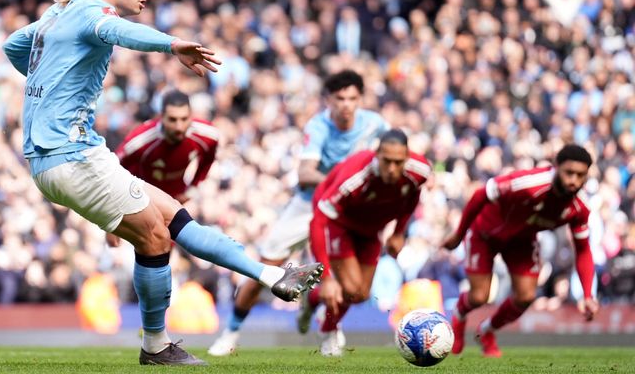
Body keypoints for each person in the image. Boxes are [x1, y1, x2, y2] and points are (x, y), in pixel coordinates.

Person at [2, 0, 323, 366]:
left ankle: (270, 274)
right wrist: (173, 45)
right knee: (155, 237)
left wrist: (51, 84)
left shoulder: (58, 14)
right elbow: (122, 34)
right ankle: (157, 344)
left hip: (70, 154)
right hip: (69, 155)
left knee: (173, 217)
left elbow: (13, 45)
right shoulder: (92, 12)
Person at [209, 70, 390, 356]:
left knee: (345, 279)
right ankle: (230, 332)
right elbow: (305, 172)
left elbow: (391, 156)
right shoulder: (318, 126)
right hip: (308, 205)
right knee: (264, 270)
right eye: (340, 98)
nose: (346, 105)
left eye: (352, 98)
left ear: (361, 100)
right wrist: (341, 184)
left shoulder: (375, 125)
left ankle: (329, 331)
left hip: (345, 213)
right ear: (328, 100)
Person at [443, 144, 598, 357]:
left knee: (526, 296)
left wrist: (588, 295)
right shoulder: (528, 183)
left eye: (580, 175)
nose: (574, 180)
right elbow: (481, 194)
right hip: (485, 234)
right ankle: (458, 318)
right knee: (479, 297)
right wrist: (459, 234)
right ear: (556, 167)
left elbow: (583, 249)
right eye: (569, 173)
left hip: (522, 242)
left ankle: (486, 331)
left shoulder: (579, 208)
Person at [303, 129, 430, 356]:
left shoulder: (419, 171)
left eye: (398, 162)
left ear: (407, 158)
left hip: (371, 229)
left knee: (360, 294)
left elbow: (413, 194)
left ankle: (312, 299)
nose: (392, 169)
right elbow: (318, 221)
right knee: (349, 288)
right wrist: (326, 277)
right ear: (376, 155)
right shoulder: (355, 178)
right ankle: (327, 330)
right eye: (386, 161)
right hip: (339, 224)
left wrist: (399, 232)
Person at [116, 90, 219, 204]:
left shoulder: (208, 135)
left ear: (191, 116)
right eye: (172, 119)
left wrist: (192, 190)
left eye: (184, 119)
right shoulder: (140, 141)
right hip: (143, 201)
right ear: (162, 117)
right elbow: (114, 168)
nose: (179, 127)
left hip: (176, 200)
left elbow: (208, 160)